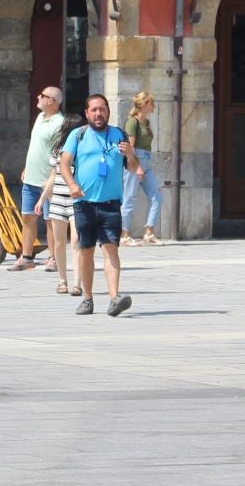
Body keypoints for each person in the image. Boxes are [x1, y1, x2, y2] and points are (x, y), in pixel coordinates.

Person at [57, 92, 138, 317]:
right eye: (94, 110)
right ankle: (88, 298)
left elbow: (133, 168)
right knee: (86, 251)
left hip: (111, 204)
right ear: (86, 113)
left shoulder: (119, 135)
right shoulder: (78, 135)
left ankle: (114, 298)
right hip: (84, 204)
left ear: (108, 111)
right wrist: (72, 184)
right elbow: (64, 164)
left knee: (111, 249)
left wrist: (130, 154)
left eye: (102, 109)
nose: (98, 113)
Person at [10, 87, 66, 273]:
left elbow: (59, 152)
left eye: (42, 96)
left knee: (51, 220)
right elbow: (36, 146)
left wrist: (53, 176)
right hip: (31, 177)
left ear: (51, 101)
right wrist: (27, 166)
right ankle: (26, 257)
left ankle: (53, 257)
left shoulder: (60, 123)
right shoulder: (40, 117)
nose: (38, 97)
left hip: (47, 180)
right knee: (27, 217)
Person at [39, 107, 86, 295]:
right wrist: (42, 199)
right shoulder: (58, 150)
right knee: (59, 243)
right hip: (57, 199)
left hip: (76, 201)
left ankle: (77, 283)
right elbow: (52, 176)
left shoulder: (84, 149)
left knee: (76, 241)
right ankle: (62, 280)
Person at [121, 91, 164, 246]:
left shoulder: (146, 122)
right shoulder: (133, 122)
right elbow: (130, 147)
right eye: (151, 103)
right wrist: (137, 166)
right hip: (134, 161)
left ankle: (149, 232)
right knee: (129, 197)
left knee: (157, 195)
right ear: (145, 105)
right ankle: (124, 235)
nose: (153, 106)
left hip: (146, 160)